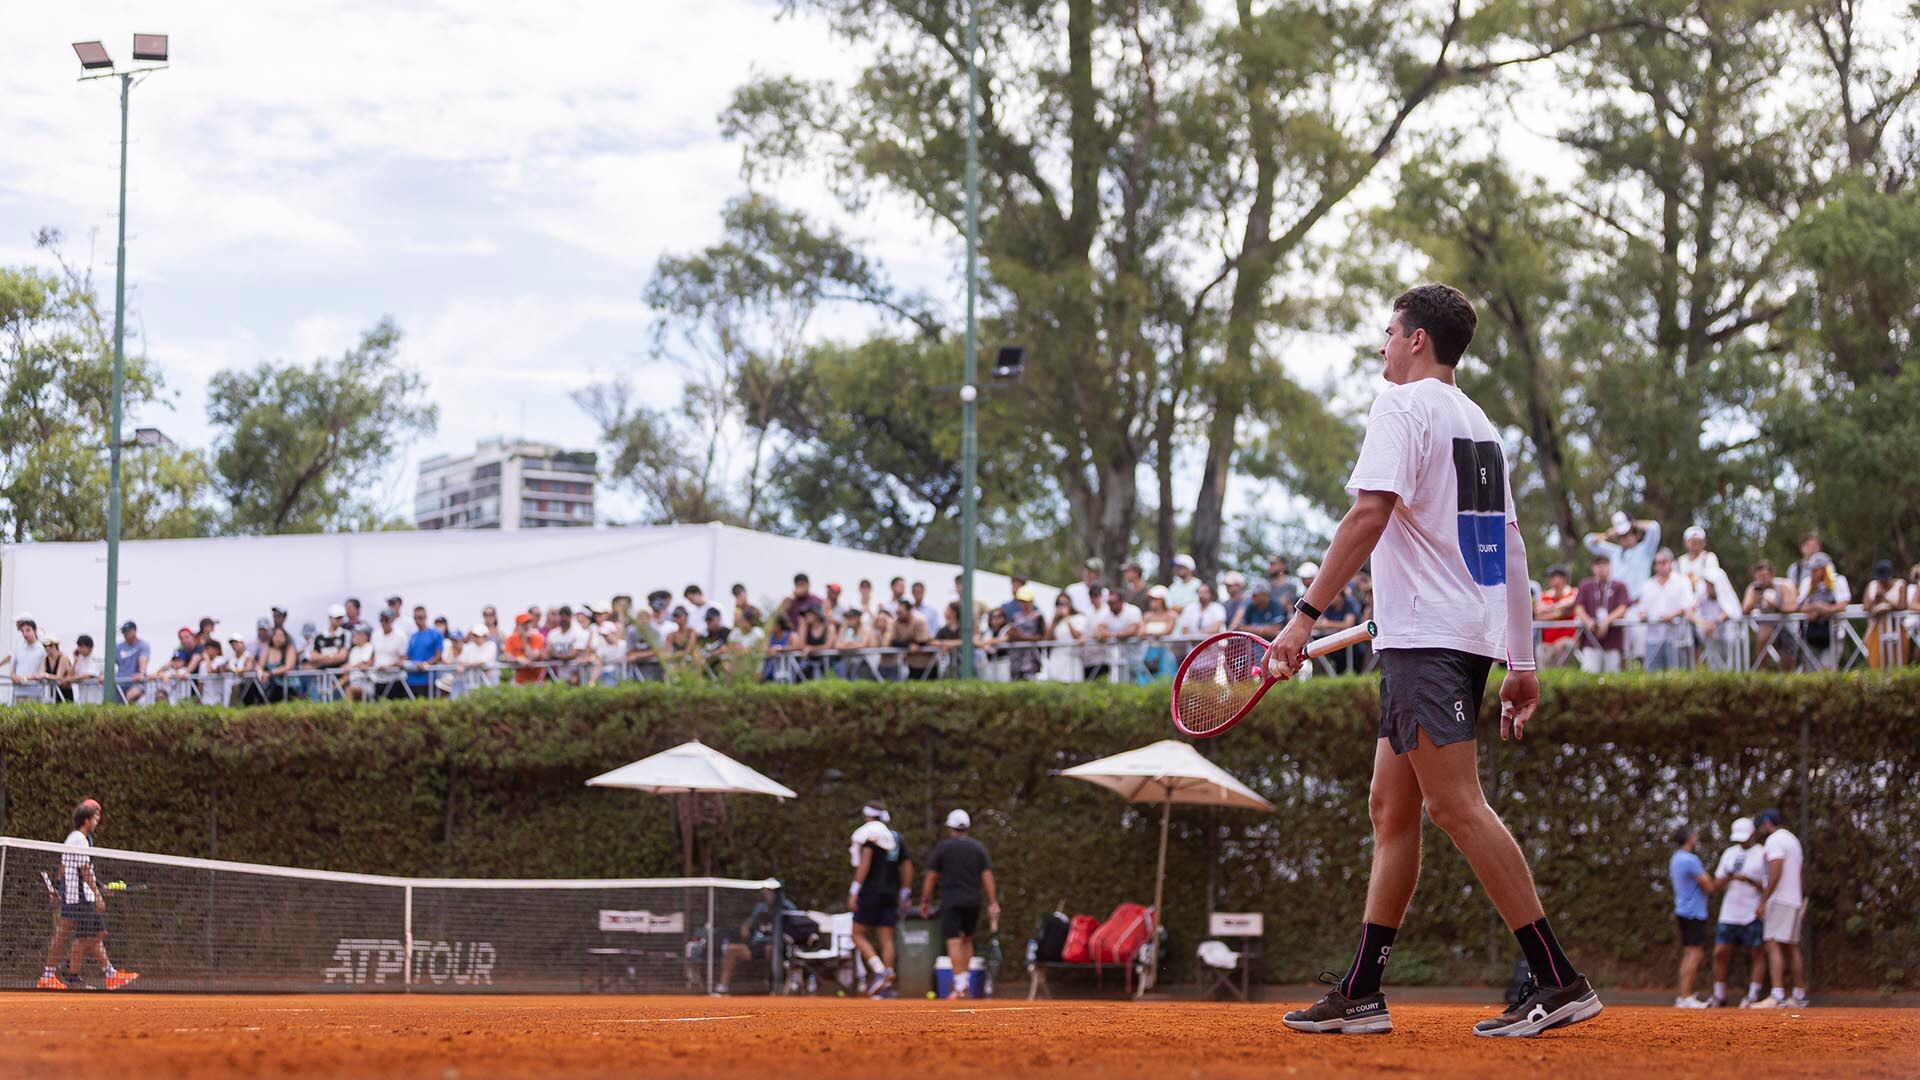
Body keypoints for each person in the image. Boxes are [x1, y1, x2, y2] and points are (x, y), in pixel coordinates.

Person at [1273, 284, 1600, 1039]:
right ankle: (1361, 989)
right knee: (1393, 809)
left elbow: (1368, 514)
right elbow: (1509, 548)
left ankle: (1557, 978)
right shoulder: (1479, 424)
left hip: (1427, 642)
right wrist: (1524, 660)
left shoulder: (1402, 406)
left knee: (1456, 806)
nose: (1383, 346)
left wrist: (1302, 618)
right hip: (1452, 637)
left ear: (1417, 340)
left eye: (1389, 332)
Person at [42, 799, 137, 991]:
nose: (98, 821)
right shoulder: (79, 838)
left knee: (89, 934)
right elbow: (83, 870)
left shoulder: (80, 838)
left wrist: (98, 886)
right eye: (96, 817)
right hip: (78, 897)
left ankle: (64, 973)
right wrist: (97, 894)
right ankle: (67, 973)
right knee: (89, 933)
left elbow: (76, 869)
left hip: (77, 895)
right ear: (86, 820)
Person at [919, 809, 1000, 1001]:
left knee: (954, 940)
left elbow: (931, 876)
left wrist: (925, 899)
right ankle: (964, 983)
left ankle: (960, 984)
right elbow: (987, 875)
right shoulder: (978, 848)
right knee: (967, 939)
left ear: (951, 828)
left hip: (951, 900)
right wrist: (993, 901)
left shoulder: (943, 848)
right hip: (973, 900)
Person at [848, 802, 912, 998]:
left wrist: (854, 891)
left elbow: (864, 864)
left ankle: (878, 969)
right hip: (891, 894)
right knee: (886, 938)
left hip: (870, 892)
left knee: (857, 934)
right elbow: (908, 865)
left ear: (868, 816)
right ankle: (887, 982)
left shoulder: (870, 837)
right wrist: (904, 893)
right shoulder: (896, 838)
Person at [1750, 809, 1807, 1009]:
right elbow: (1799, 872)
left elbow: (1776, 870)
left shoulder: (1774, 840)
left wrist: (1764, 900)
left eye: (1761, 825)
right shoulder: (1793, 840)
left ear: (1767, 823)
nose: (1761, 830)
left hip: (1780, 899)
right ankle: (1799, 995)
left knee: (1772, 943)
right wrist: (1800, 898)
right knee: (1791, 946)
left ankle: (1777, 995)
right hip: (1793, 899)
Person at [1710, 816, 1768, 1008]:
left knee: (1757, 952)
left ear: (1752, 834)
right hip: (1729, 913)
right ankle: (1719, 995)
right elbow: (1716, 884)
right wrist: (1729, 876)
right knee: (1720, 952)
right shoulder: (1729, 853)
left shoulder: (1762, 853)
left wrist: (1749, 880)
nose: (1742, 841)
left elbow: (1768, 886)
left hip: (1752, 912)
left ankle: (1752, 995)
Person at [713, 887, 805, 996]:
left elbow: (797, 921)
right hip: (756, 945)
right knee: (731, 949)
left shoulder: (786, 906)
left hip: (777, 945)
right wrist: (745, 927)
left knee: (771, 950)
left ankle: (774, 986)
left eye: (770, 892)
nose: (767, 895)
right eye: (765, 893)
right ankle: (723, 986)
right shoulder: (760, 907)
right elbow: (749, 922)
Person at [1668, 826, 1716, 1008]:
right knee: (1695, 953)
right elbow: (1708, 885)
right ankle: (1686, 996)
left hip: (1682, 910)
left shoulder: (1675, 858)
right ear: (1690, 838)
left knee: (1689, 953)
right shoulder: (1691, 859)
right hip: (1694, 912)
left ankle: (1683, 995)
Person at [1641, 549, 1696, 671]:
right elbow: (1643, 609)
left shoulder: (1682, 581)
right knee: (1653, 677)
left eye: (1663, 562)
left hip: (1677, 638)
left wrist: (1672, 615)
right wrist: (1643, 615)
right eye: (1657, 563)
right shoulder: (1648, 585)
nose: (1660, 566)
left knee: (1677, 676)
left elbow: (1688, 605)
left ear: (1671, 563)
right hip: (1653, 638)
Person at [1574, 555, 1630, 673]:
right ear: (1593, 567)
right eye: (1598, 565)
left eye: (1605, 564)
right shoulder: (1586, 585)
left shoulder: (1619, 586)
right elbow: (1578, 607)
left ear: (1610, 566)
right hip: (1591, 639)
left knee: (1612, 674)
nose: (1601, 568)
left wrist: (1607, 621)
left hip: (1613, 639)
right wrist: (1588, 620)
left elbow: (1623, 607)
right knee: (1589, 672)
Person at [1743, 561, 1800, 671]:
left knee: (1787, 664)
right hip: (1767, 627)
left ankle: (1786, 683)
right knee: (1763, 635)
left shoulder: (1784, 586)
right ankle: (1762, 672)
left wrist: (1776, 605)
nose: (1762, 580)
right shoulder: (1754, 589)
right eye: (1759, 577)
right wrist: (1753, 602)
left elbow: (1793, 607)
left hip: (1788, 628)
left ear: (1772, 574)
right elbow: (1744, 610)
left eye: (1764, 576)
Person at [1796, 554, 1848, 670]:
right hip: (1811, 634)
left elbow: (1843, 605)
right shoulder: (1807, 583)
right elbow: (1800, 606)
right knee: (1811, 671)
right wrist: (1816, 607)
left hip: (1833, 634)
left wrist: (1825, 609)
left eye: (1815, 570)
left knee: (1827, 669)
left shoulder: (1839, 581)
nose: (1812, 573)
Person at [1086, 588, 1143, 682]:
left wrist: (1111, 635)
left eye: (1113, 602)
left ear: (1121, 601)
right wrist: (1117, 635)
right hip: (1115, 657)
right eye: (1108, 602)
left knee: (1135, 680)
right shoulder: (1107, 613)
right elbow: (1099, 631)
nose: (1110, 605)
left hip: (1135, 656)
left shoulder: (1133, 611)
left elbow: (1132, 631)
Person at [1534, 566, 1578, 669]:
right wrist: (1560, 613)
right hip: (1547, 643)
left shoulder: (1573, 592)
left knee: (1563, 651)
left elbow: (1572, 606)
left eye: (1554, 577)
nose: (1550, 580)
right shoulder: (1545, 595)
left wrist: (1551, 608)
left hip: (1568, 640)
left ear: (1563, 578)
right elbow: (1539, 615)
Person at [1042, 593, 1086, 683]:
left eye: (1064, 603)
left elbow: (1077, 636)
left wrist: (1067, 618)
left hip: (1071, 660)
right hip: (1056, 659)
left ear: (1070, 604)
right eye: (1058, 603)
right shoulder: (1055, 621)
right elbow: (1048, 639)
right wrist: (1054, 621)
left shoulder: (1079, 617)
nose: (1061, 606)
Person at [5, 613, 47, 704]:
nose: (25, 634)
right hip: (18, 693)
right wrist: (14, 677)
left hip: (34, 694)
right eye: (23, 631)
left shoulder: (42, 649)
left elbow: (41, 672)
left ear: (34, 630)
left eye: (28, 630)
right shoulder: (18, 648)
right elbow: (12, 670)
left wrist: (24, 678)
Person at [1004, 588, 1045, 681]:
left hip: (1031, 656)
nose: (1024, 604)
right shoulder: (1015, 616)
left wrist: (1021, 637)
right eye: (1022, 601)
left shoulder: (1038, 616)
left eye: (1026, 601)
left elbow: (1041, 636)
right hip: (1016, 656)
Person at [1138, 586, 1178, 680]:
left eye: (1156, 599)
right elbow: (1140, 632)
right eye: (1151, 599)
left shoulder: (1171, 615)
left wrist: (1150, 633)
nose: (1152, 602)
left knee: (1165, 679)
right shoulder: (1147, 616)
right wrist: (1154, 634)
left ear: (1163, 600)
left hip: (1165, 653)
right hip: (1149, 653)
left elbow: (1167, 631)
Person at [113, 621, 150, 705]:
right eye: (124, 632)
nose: (125, 634)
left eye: (127, 631)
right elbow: (110, 663)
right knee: (112, 701)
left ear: (134, 631)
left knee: (131, 695)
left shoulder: (143, 645)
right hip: (120, 682)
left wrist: (141, 673)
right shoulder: (119, 647)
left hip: (136, 682)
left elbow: (143, 660)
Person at [67, 634, 103, 705]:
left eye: (82, 646)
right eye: (78, 646)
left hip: (96, 698)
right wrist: (75, 661)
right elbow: (69, 676)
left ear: (90, 647)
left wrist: (73, 679)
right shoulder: (79, 658)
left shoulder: (97, 657)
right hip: (82, 698)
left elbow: (90, 675)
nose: (79, 649)